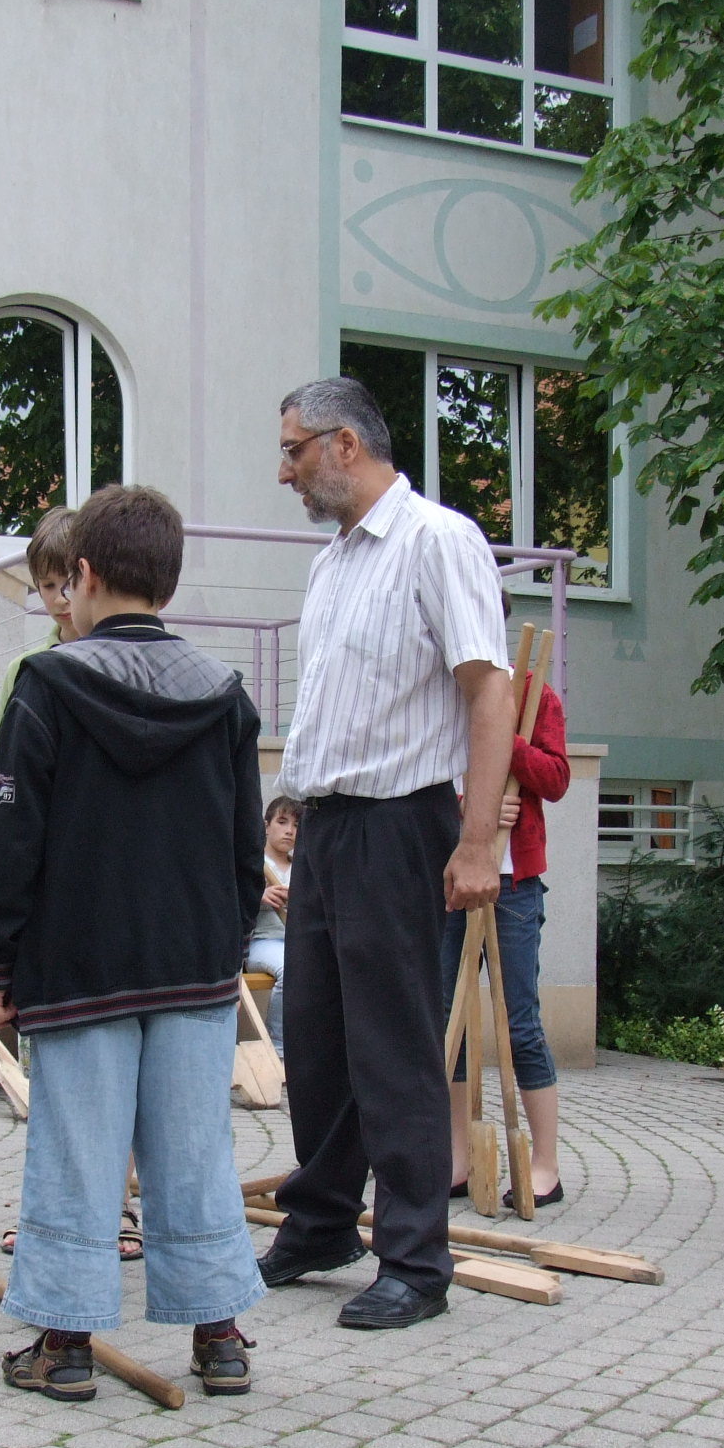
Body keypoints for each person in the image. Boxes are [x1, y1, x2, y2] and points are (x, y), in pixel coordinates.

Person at [0, 483, 266, 1400]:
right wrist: (224, 947)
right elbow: (247, 847)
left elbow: (13, 838)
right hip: (193, 970)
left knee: (76, 1153)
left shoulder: (46, 685)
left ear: (84, 573)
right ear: (168, 584)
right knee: (196, 1152)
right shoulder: (225, 695)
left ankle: (64, 1350)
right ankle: (220, 1339)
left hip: (78, 969)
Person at [259, 377, 514, 1331]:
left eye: (293, 450)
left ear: (346, 445)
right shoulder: (333, 562)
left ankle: (414, 1259)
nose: (284, 471)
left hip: (400, 823)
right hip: (326, 826)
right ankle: (323, 1220)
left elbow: (489, 692)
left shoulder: (438, 540)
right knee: (318, 1035)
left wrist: (478, 841)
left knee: (393, 1044)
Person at [446, 654, 571, 1203]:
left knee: (519, 1021)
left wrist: (504, 741)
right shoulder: (440, 687)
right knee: (450, 1020)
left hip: (514, 881)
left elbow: (557, 778)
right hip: (450, 876)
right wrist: (467, 809)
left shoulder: (533, 691)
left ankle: (545, 1164)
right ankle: (456, 1158)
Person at [1, 506, 82, 717]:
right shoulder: (22, 668)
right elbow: (5, 738)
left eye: (69, 583)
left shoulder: (117, 659)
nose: (60, 599)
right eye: (48, 585)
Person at [244, 796, 300, 1049]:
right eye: (282, 821)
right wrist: (259, 896)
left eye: (296, 825)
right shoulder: (253, 865)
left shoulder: (303, 869)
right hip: (261, 941)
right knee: (291, 969)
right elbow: (229, 902)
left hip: (297, 941)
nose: (289, 831)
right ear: (266, 826)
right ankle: (279, 1048)